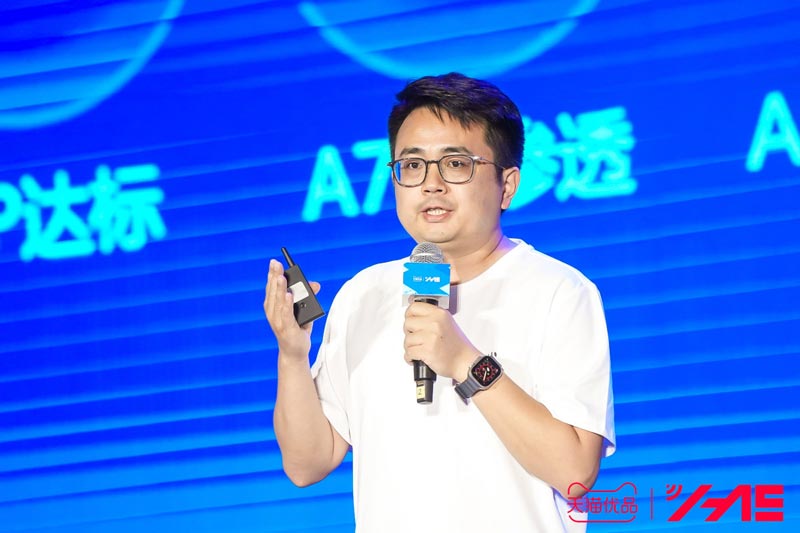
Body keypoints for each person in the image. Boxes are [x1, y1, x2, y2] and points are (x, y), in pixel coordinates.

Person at [264, 73, 615, 532]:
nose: (431, 184)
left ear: (508, 185)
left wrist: (466, 362)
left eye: (455, 164)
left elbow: (575, 472)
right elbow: (307, 463)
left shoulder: (559, 291)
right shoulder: (363, 295)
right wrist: (292, 356)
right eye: (412, 166)